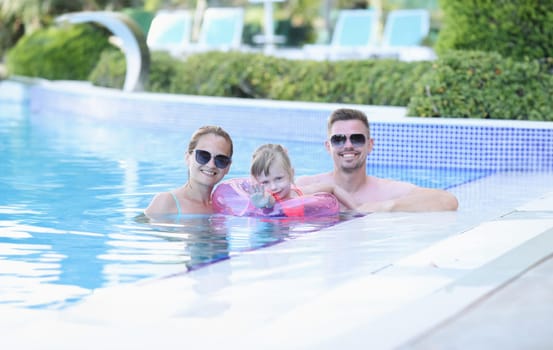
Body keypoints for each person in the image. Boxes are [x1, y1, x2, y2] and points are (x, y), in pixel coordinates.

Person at [295, 108, 459, 212]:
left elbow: (448, 200)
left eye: (357, 139)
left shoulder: (385, 192)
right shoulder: (308, 186)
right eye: (338, 139)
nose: (348, 145)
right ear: (328, 146)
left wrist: (384, 207)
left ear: (370, 145)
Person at [144, 125, 233, 217]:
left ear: (228, 167)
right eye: (203, 156)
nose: (211, 165)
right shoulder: (167, 202)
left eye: (221, 159)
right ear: (188, 158)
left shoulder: (223, 208)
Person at [248, 143, 357, 211]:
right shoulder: (268, 198)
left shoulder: (300, 193)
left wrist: (356, 208)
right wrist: (264, 202)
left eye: (279, 178)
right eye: (265, 182)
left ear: (291, 174)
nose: (273, 187)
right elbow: (269, 201)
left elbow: (332, 187)